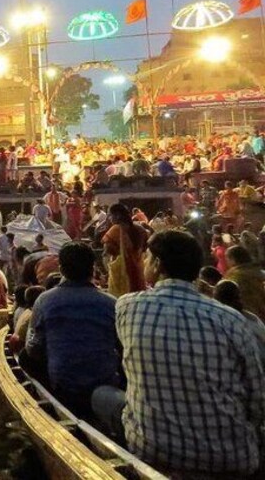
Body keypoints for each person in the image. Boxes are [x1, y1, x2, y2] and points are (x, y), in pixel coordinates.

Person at [93, 230, 265, 477]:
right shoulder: (232, 319)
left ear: (157, 264)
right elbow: (257, 398)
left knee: (101, 394)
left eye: (146, 257)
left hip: (155, 450)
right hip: (231, 456)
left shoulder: (127, 307)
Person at [24, 242, 120, 417]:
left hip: (63, 385)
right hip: (105, 382)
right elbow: (121, 347)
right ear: (93, 269)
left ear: (61, 269)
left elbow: (33, 349)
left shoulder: (44, 301)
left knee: (24, 356)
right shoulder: (111, 303)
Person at [102, 203, 148, 295]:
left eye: (110, 215)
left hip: (121, 275)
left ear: (117, 215)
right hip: (139, 272)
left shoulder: (115, 230)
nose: (109, 219)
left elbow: (106, 253)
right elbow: (145, 247)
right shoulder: (140, 229)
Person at [223, 245, 265, 322]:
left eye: (227, 259)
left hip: (249, 318)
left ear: (233, 259)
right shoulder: (259, 272)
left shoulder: (234, 277)